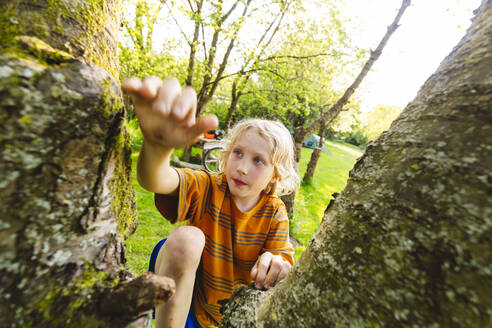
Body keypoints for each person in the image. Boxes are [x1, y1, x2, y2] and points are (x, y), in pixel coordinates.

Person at [122, 77, 299, 328]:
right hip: (187, 307)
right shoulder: (209, 186)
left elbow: (281, 258)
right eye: (238, 153)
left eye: (258, 160)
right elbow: (156, 180)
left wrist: (275, 262)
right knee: (187, 238)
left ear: (276, 174)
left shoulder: (275, 213)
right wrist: (157, 149)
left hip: (230, 318)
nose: (242, 168)